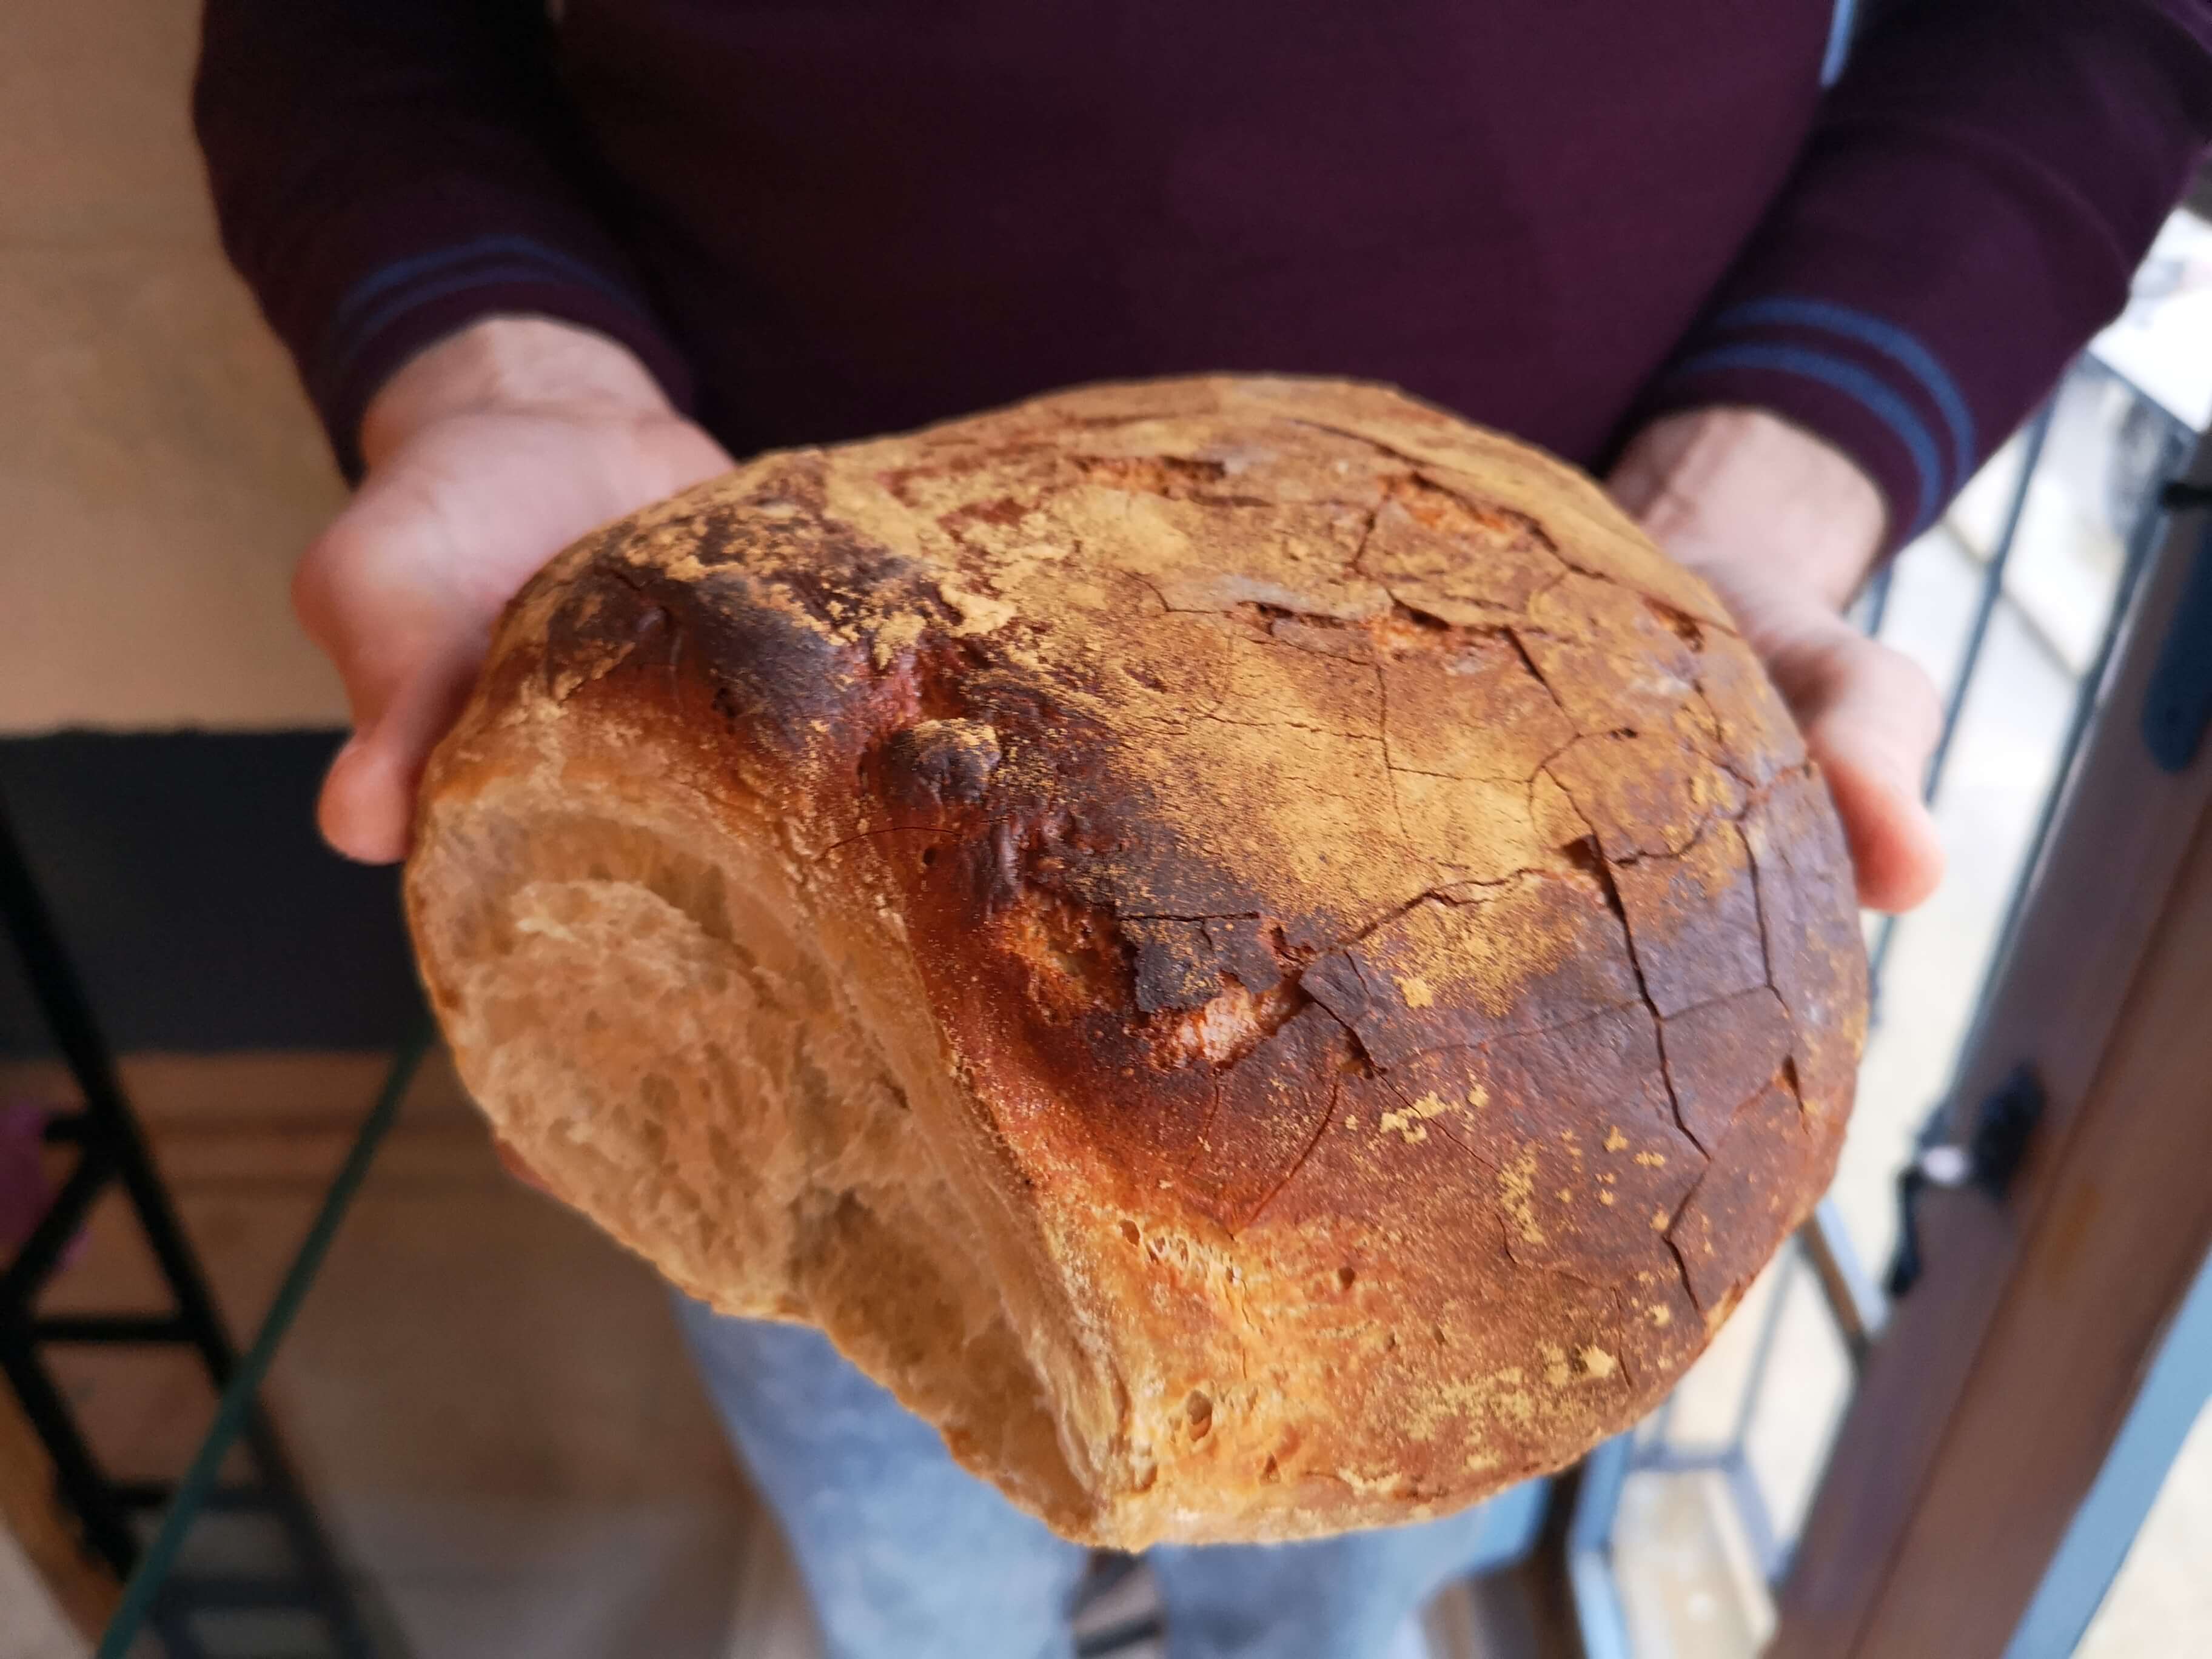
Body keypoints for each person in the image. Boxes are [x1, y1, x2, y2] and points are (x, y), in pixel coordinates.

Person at [194, 4, 2212, 1655]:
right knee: (905, 1571)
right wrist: (505, 372)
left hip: (1577, 805)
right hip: (727, 611)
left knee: (1339, 1571)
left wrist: (1773, 474)